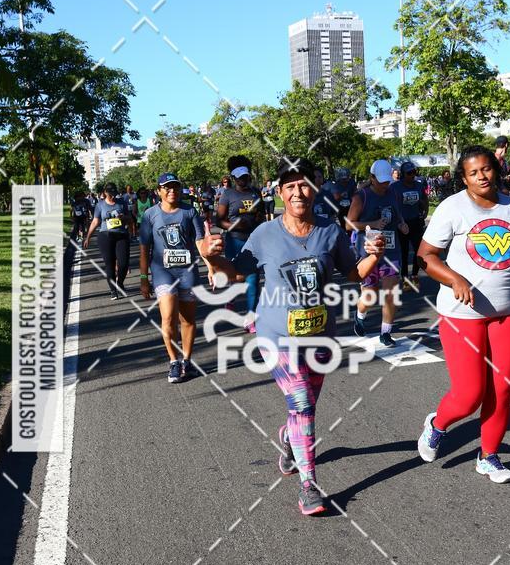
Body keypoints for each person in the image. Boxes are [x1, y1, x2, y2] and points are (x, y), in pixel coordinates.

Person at [201, 157, 386, 516]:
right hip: (275, 333)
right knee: (300, 402)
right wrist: (212, 258)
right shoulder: (264, 234)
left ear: (314, 189)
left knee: (306, 406)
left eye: (303, 185)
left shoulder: (329, 231)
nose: (298, 192)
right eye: (290, 187)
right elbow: (237, 274)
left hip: (320, 335)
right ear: (280, 194)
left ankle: (288, 439)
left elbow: (353, 273)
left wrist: (374, 257)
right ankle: (309, 486)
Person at [416, 145, 510, 484]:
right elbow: (426, 257)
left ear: (496, 169)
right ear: (463, 178)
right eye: (473, 172)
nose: (482, 176)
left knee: (502, 389)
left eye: (486, 169)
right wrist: (455, 279)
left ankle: (489, 456)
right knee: (469, 395)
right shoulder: (453, 208)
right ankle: (437, 425)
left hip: (508, 312)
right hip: (462, 314)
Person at [139, 172, 206, 383]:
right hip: (162, 271)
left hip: (187, 272)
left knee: (187, 319)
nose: (171, 191)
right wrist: (143, 277)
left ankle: (187, 361)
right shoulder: (150, 215)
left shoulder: (189, 211)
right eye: (166, 187)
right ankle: (174, 362)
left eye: (175, 187)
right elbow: (144, 248)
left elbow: (199, 242)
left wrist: (211, 266)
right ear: (159, 191)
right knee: (168, 317)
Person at [348, 159, 408, 346]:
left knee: (391, 293)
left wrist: (402, 224)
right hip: (368, 252)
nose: (384, 184)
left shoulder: (393, 193)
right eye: (380, 180)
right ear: (372, 178)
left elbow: (398, 215)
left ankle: (386, 332)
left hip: (391, 250)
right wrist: (372, 224)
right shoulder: (362, 196)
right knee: (370, 294)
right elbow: (348, 224)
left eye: (386, 180)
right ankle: (360, 315)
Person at [216, 156, 263, 331]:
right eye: (240, 177)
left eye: (246, 177)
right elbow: (219, 220)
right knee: (235, 276)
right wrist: (234, 224)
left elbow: (261, 214)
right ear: (234, 178)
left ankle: (251, 318)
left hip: (253, 241)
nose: (244, 180)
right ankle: (231, 297)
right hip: (234, 240)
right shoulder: (227, 195)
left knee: (253, 279)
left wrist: (258, 221)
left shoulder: (255, 193)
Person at [84, 182, 131, 299]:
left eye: (114, 193)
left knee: (123, 264)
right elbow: (95, 221)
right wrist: (88, 237)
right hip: (105, 236)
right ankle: (113, 290)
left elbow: (130, 219)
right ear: (105, 193)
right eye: (110, 193)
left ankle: (120, 283)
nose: (112, 195)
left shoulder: (122, 203)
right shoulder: (100, 205)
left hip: (121, 235)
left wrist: (123, 218)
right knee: (109, 264)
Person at [394, 160, 429, 291]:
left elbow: (424, 198)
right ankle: (404, 278)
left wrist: (425, 211)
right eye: (409, 173)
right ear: (403, 174)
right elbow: (392, 204)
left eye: (414, 172)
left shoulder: (418, 186)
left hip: (415, 221)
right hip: (402, 223)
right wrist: (399, 221)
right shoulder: (395, 187)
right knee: (403, 252)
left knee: (419, 250)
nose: (412, 175)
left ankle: (414, 275)